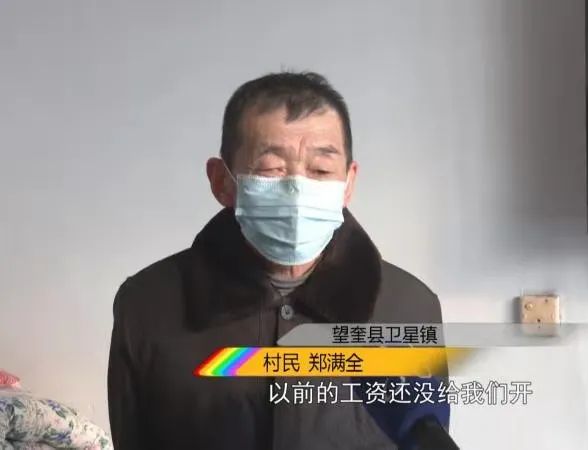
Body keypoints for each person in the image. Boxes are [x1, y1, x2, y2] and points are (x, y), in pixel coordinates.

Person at [107, 71, 444, 449]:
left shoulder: (411, 307)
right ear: (222, 181)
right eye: (271, 169)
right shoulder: (148, 305)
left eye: (320, 170)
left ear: (349, 182)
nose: (297, 190)